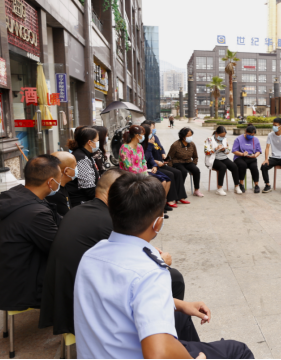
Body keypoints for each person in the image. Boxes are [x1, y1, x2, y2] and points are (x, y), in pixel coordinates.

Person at [74, 173, 254, 359]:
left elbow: (123, 298)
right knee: (239, 351)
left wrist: (181, 305)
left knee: (182, 318)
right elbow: (157, 353)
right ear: (158, 223)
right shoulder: (149, 271)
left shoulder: (90, 255)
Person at [39, 169, 189, 337]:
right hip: (84, 307)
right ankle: (163, 331)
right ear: (113, 192)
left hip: (65, 299)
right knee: (173, 277)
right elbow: (130, 264)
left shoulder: (78, 211)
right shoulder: (108, 221)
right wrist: (159, 262)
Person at [0, 155, 61, 312]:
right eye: (60, 178)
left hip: (2, 283)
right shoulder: (35, 213)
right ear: (51, 182)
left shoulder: (18, 195)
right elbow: (59, 247)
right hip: (19, 291)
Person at [120, 125, 171, 218]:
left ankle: (156, 212)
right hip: (130, 177)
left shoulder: (139, 146)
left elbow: (143, 161)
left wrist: (145, 174)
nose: (144, 137)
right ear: (137, 135)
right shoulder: (125, 148)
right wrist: (143, 176)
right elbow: (128, 167)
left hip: (142, 175)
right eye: (143, 135)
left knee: (157, 185)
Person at [142, 124, 186, 210]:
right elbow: (145, 158)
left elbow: (159, 148)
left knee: (178, 172)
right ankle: (167, 200)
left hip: (157, 164)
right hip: (149, 167)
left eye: (153, 128)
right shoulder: (144, 144)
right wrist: (156, 163)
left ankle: (179, 197)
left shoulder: (154, 138)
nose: (153, 132)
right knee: (169, 175)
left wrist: (162, 157)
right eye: (151, 130)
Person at [66, 126, 100, 207]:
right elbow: (89, 189)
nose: (98, 142)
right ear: (89, 142)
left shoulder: (85, 154)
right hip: (82, 203)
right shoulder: (81, 158)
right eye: (97, 140)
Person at [204, 126, 242, 196]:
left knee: (234, 166)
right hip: (213, 159)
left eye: (224, 136)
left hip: (223, 158)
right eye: (221, 136)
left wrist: (224, 149)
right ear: (216, 133)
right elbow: (206, 152)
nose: (222, 137)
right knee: (223, 167)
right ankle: (219, 188)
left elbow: (228, 151)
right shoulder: (209, 139)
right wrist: (215, 149)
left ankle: (237, 186)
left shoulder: (225, 139)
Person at [167, 127, 204, 197]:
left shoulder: (192, 144)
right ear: (183, 137)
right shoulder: (175, 145)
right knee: (183, 172)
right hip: (177, 162)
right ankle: (180, 190)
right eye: (188, 136)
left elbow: (195, 156)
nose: (190, 137)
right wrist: (171, 168)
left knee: (196, 170)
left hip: (188, 162)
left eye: (191, 135)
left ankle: (196, 190)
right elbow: (169, 157)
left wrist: (194, 164)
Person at [261, 118, 281, 193]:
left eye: (275, 125)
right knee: (263, 166)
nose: (274, 127)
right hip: (273, 158)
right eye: (273, 125)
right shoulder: (270, 135)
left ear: (280, 126)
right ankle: (267, 185)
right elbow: (267, 148)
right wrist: (266, 159)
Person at [45, 151, 77, 217]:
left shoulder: (63, 187)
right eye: (75, 166)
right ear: (66, 171)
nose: (77, 169)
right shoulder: (55, 194)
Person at [232, 125, 262, 194]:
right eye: (249, 134)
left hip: (251, 158)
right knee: (243, 165)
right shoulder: (238, 139)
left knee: (254, 167)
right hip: (240, 157)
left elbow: (258, 151)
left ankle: (256, 185)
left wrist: (255, 155)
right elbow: (234, 150)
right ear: (245, 132)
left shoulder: (256, 139)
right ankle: (241, 184)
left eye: (252, 135)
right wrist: (242, 154)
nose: (251, 136)